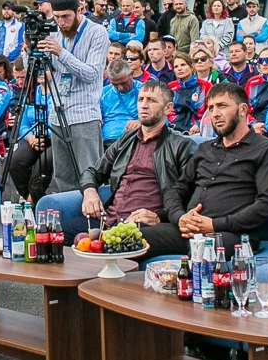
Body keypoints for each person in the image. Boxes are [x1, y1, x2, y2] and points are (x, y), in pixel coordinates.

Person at [78, 80, 198, 255]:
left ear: (168, 108)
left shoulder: (181, 146)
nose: (144, 105)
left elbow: (190, 195)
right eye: (141, 99)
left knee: (115, 246)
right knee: (55, 231)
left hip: (143, 224)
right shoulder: (127, 139)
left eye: (151, 100)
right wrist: (89, 193)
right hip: (109, 219)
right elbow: (93, 172)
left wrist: (160, 216)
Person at [157, 82, 268, 249]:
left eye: (222, 106)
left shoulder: (265, 150)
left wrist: (214, 225)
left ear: (243, 110)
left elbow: (267, 205)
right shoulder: (204, 149)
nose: (215, 114)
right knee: (131, 239)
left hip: (231, 235)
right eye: (211, 108)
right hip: (188, 229)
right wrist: (180, 218)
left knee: (202, 251)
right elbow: (176, 190)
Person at [35, 0, 109, 195]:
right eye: (57, 17)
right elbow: (51, 72)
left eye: (66, 16)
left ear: (79, 11)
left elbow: (92, 73)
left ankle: (94, 221)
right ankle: (69, 223)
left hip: (84, 114)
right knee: (63, 179)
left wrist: (61, 53)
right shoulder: (54, 32)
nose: (61, 22)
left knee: (90, 176)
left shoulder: (97, 33)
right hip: (58, 113)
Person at [98, 59, 139, 144]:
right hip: (109, 140)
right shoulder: (103, 93)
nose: (120, 88)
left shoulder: (145, 91)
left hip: (136, 138)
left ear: (131, 74)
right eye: (115, 84)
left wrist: (142, 122)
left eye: (123, 83)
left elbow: (162, 119)